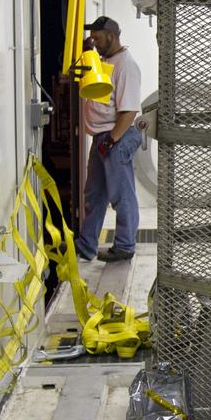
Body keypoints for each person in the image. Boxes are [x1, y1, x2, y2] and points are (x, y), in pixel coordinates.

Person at [75, 16, 143, 262]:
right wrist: (87, 53)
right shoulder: (103, 61)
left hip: (118, 136)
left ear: (112, 37)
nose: (94, 42)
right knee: (94, 194)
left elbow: (129, 111)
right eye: (92, 38)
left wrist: (111, 140)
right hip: (103, 137)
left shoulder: (126, 65)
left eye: (97, 38)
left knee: (121, 194)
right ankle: (86, 246)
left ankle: (124, 246)